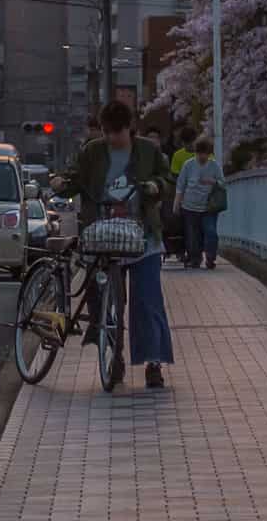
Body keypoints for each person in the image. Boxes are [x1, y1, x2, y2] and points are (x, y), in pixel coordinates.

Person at [62, 102, 177, 390]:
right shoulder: (92, 152)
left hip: (143, 236)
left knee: (147, 301)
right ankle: (114, 356)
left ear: (130, 128)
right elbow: (74, 178)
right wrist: (61, 183)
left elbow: (167, 179)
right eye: (108, 132)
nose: (113, 138)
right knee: (102, 299)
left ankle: (154, 363)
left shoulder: (148, 151)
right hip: (102, 234)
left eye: (118, 132)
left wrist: (155, 187)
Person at [174, 136, 227, 270]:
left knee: (211, 232)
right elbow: (180, 185)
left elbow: (223, 183)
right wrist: (176, 203)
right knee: (192, 236)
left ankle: (210, 258)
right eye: (199, 153)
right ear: (195, 152)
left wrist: (213, 182)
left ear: (209, 154)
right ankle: (195, 258)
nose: (202, 156)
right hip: (189, 206)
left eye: (206, 153)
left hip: (208, 208)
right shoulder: (188, 165)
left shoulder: (214, 166)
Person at [167, 128, 196, 262]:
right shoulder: (178, 155)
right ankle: (187, 252)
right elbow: (174, 175)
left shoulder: (202, 154)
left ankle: (193, 251)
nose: (190, 145)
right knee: (185, 225)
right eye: (187, 143)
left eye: (192, 142)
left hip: (200, 196)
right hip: (184, 196)